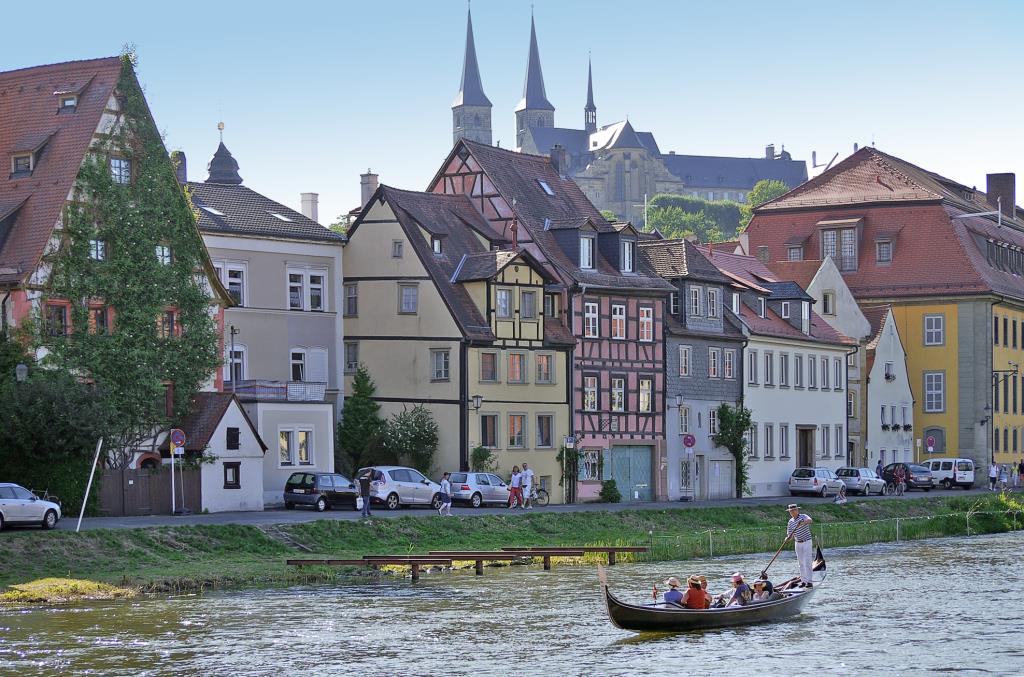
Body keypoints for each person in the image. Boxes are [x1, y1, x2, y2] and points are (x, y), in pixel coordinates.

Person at [786, 503, 814, 588]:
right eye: (791, 511)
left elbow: (810, 520)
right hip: (798, 543)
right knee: (801, 563)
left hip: (807, 541)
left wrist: (803, 522)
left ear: (797, 510)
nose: (793, 512)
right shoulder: (790, 522)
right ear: (790, 512)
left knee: (807, 562)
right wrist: (787, 539)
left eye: (794, 510)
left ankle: (809, 582)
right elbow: (790, 535)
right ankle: (803, 581)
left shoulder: (803, 516)